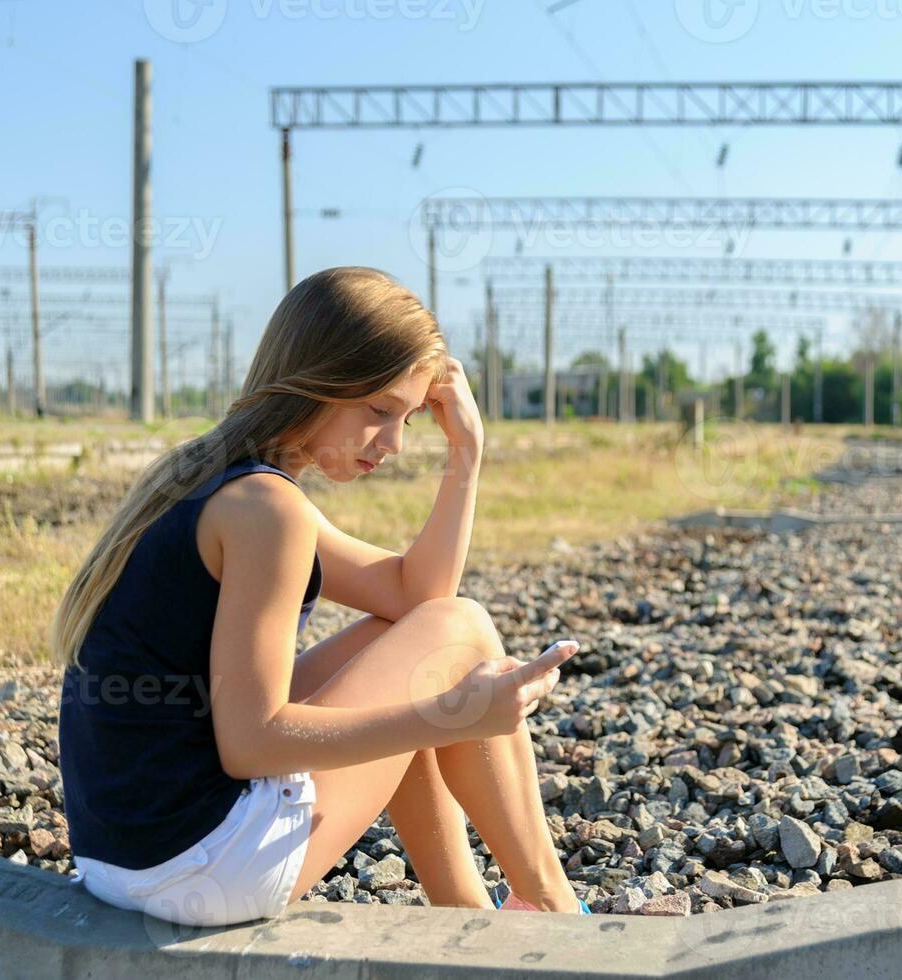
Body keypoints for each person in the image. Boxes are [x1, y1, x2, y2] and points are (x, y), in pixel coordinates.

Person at [51, 266, 589, 927]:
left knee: (423, 645)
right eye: (379, 411)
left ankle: (476, 920)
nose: (392, 444)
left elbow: (412, 596)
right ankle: (559, 913)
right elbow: (250, 743)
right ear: (320, 379)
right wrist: (452, 714)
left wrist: (466, 454)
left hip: (120, 858)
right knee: (460, 632)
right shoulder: (267, 511)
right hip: (196, 863)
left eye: (409, 421)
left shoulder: (219, 477)